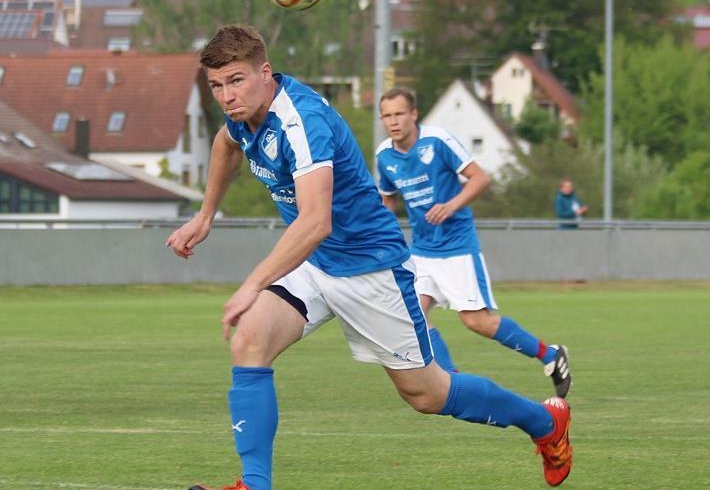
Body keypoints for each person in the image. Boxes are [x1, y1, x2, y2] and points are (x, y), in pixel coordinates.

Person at [166, 25, 572, 490]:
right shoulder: (243, 115)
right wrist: (205, 215)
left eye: (236, 81)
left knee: (429, 394)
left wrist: (251, 284)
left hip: (370, 267)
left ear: (264, 71)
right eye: (217, 85)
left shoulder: (303, 123)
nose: (227, 96)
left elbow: (315, 221)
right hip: (316, 264)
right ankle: (254, 484)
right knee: (249, 343)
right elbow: (225, 144)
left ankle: (545, 423)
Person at [375, 88, 571, 398]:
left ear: (414, 114)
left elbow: (480, 178)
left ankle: (550, 354)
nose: (393, 121)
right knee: (413, 314)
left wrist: (451, 206)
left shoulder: (438, 141)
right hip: (422, 251)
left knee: (477, 322)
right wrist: (383, 239)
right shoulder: (385, 155)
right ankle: (452, 380)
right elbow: (388, 200)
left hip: (456, 247)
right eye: (386, 116)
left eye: (399, 114)